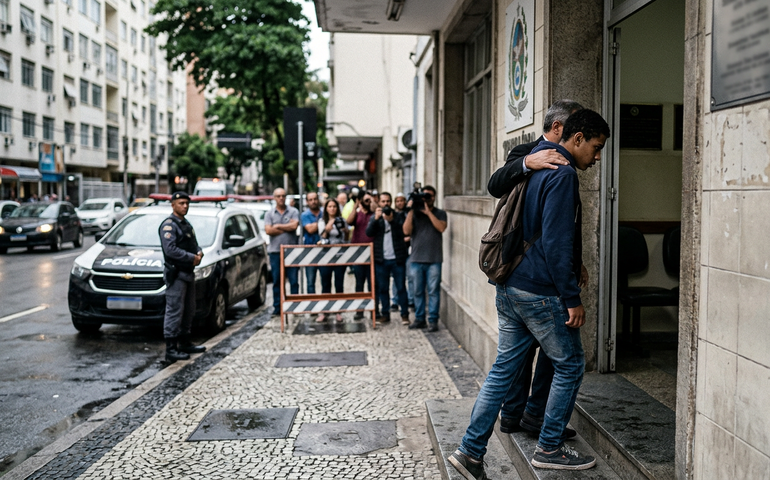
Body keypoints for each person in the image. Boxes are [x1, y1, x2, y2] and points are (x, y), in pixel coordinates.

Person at [448, 109, 610, 478]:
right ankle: (550, 446)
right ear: (577, 137)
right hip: (539, 290)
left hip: (511, 287)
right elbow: (555, 243)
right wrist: (571, 298)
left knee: (503, 369)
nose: (597, 157)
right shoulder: (561, 173)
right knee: (570, 364)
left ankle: (470, 450)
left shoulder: (540, 169)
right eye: (596, 148)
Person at [488, 100, 585, 439]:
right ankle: (514, 415)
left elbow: (563, 226)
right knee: (521, 356)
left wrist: (578, 264)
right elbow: (495, 184)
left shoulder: (567, 165)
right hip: (522, 270)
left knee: (548, 354)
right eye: (575, 126)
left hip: (548, 274)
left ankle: (535, 415)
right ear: (559, 128)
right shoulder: (527, 153)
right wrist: (528, 162)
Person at [159, 191, 207, 362]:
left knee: (188, 310)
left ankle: (185, 342)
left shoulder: (186, 224)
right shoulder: (169, 225)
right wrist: (191, 258)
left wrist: (199, 252)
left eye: (187, 203)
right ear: (173, 205)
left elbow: (193, 244)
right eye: (181, 203)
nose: (185, 206)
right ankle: (171, 349)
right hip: (177, 273)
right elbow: (170, 249)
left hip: (188, 273)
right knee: (174, 311)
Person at [403, 185, 447, 332]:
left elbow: (441, 228)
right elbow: (406, 231)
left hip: (434, 259)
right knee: (417, 291)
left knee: (433, 291)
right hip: (416, 259)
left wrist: (428, 212)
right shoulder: (414, 214)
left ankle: (433, 320)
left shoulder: (440, 213)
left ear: (434, 197)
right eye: (425, 196)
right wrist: (411, 210)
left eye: (430, 196)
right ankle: (419, 319)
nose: (427, 199)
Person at [366, 192, 409, 325]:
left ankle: (405, 314)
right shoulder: (376, 217)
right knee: (383, 288)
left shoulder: (398, 216)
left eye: (388, 202)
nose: (386, 204)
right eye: (383, 202)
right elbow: (368, 233)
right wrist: (376, 219)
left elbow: (403, 231)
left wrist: (392, 220)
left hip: (397, 259)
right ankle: (385, 314)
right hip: (381, 259)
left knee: (401, 287)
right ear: (379, 203)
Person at [264, 188, 300, 316]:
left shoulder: (294, 211)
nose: (281, 198)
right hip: (275, 252)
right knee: (277, 281)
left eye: (283, 196)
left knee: (294, 280)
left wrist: (277, 226)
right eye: (278, 196)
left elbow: (295, 226)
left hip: (291, 251)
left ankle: (295, 306)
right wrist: (287, 228)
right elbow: (268, 230)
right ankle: (278, 307)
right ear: (274, 198)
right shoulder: (269, 214)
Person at [316, 198, 349, 323]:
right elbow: (322, 236)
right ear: (326, 209)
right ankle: (325, 310)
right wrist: (329, 225)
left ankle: (338, 311)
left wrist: (345, 231)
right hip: (325, 255)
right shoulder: (322, 221)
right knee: (325, 283)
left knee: (339, 283)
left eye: (334, 206)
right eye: (329, 206)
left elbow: (346, 238)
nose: (332, 209)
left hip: (339, 254)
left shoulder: (342, 221)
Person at [346, 190, 376, 318]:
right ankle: (360, 310)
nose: (368, 202)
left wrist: (374, 204)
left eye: (370, 199)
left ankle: (373, 309)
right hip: (358, 253)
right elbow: (349, 221)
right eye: (366, 200)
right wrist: (355, 206)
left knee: (372, 283)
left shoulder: (374, 214)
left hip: (373, 253)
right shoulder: (357, 214)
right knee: (359, 283)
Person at [392, 192, 413, 313]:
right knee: (396, 278)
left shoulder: (409, 213)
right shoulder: (393, 215)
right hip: (398, 250)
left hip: (409, 248)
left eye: (402, 200)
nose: (400, 203)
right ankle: (395, 300)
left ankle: (410, 299)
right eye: (398, 201)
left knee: (410, 276)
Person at [300, 192, 323, 294]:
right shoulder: (304, 215)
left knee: (326, 281)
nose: (313, 202)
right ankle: (311, 307)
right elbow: (310, 229)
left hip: (324, 251)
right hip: (310, 251)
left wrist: (315, 225)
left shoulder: (324, 213)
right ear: (307, 201)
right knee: (310, 282)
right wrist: (324, 223)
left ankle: (325, 306)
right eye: (310, 199)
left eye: (315, 199)